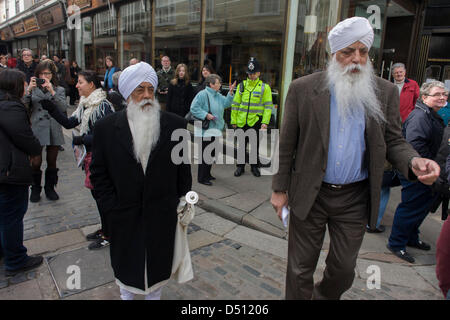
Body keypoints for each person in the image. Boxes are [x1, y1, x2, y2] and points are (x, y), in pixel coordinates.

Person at [270, 17, 440, 300]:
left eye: (363, 51)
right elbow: (287, 144)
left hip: (353, 198)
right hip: (310, 192)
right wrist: (279, 189)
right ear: (334, 53)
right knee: (300, 269)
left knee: (344, 269)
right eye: (348, 51)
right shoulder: (302, 89)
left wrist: (414, 162)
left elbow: (394, 140)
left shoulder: (384, 92)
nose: (357, 59)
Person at [89, 62, 192, 300]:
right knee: (126, 271)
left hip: (162, 215)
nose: (146, 96)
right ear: (127, 94)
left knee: (157, 271)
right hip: (123, 215)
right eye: (139, 90)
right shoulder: (106, 128)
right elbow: (99, 173)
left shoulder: (175, 125)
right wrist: (111, 209)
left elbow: (183, 170)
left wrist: (181, 201)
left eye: (150, 90)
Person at [40, 71, 115, 250]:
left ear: (91, 85)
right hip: (91, 157)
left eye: (80, 82)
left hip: (102, 160)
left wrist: (83, 139)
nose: (77, 85)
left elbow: (108, 136)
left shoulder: (102, 106)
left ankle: (109, 234)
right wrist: (51, 108)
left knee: (103, 197)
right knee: (97, 196)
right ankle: (105, 228)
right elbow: (68, 123)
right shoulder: (85, 104)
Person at [387, 81, 448, 263]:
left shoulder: (430, 114)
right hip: (418, 173)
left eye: (444, 94)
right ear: (424, 97)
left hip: (427, 173)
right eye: (437, 94)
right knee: (410, 208)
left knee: (420, 208)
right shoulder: (420, 117)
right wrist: (427, 166)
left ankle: (412, 237)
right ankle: (396, 243)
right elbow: (414, 145)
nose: (442, 97)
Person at [0, 69, 43, 276]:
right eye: (23, 83)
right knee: (12, 216)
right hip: (10, 171)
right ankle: (15, 259)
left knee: (5, 216)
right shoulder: (10, 107)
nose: (26, 85)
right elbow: (24, 136)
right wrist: (36, 149)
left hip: (5, 169)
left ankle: (6, 251)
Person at [369, 63, 420, 233]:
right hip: (390, 133)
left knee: (382, 186)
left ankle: (372, 220)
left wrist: (413, 161)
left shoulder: (411, 86)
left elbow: (395, 141)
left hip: (399, 129)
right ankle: (372, 221)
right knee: (382, 186)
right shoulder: (384, 90)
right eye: (396, 72)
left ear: (405, 73)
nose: (398, 74)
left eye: (401, 72)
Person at [23, 59, 68, 202]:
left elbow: (63, 108)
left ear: (52, 74)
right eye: (41, 74)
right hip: (37, 126)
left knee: (52, 161)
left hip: (53, 126)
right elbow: (23, 106)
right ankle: (35, 188)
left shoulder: (59, 89)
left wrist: (52, 91)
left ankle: (50, 188)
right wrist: (29, 89)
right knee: (35, 161)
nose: (44, 77)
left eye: (47, 73)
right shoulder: (33, 89)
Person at [190, 74, 236, 185]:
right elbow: (193, 108)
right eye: (218, 82)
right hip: (205, 131)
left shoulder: (218, 95)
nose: (220, 84)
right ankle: (202, 178)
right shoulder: (202, 94)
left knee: (211, 154)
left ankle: (207, 174)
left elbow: (227, 104)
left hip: (216, 129)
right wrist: (206, 115)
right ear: (211, 84)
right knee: (205, 154)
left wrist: (230, 93)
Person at [231, 57, 273, 177]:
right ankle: (240, 167)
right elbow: (235, 104)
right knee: (241, 146)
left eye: (254, 73)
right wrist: (233, 120)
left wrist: (265, 123)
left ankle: (254, 167)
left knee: (254, 146)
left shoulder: (264, 88)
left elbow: (268, 107)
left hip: (255, 122)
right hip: (241, 122)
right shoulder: (241, 86)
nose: (251, 76)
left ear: (259, 73)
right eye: (249, 74)